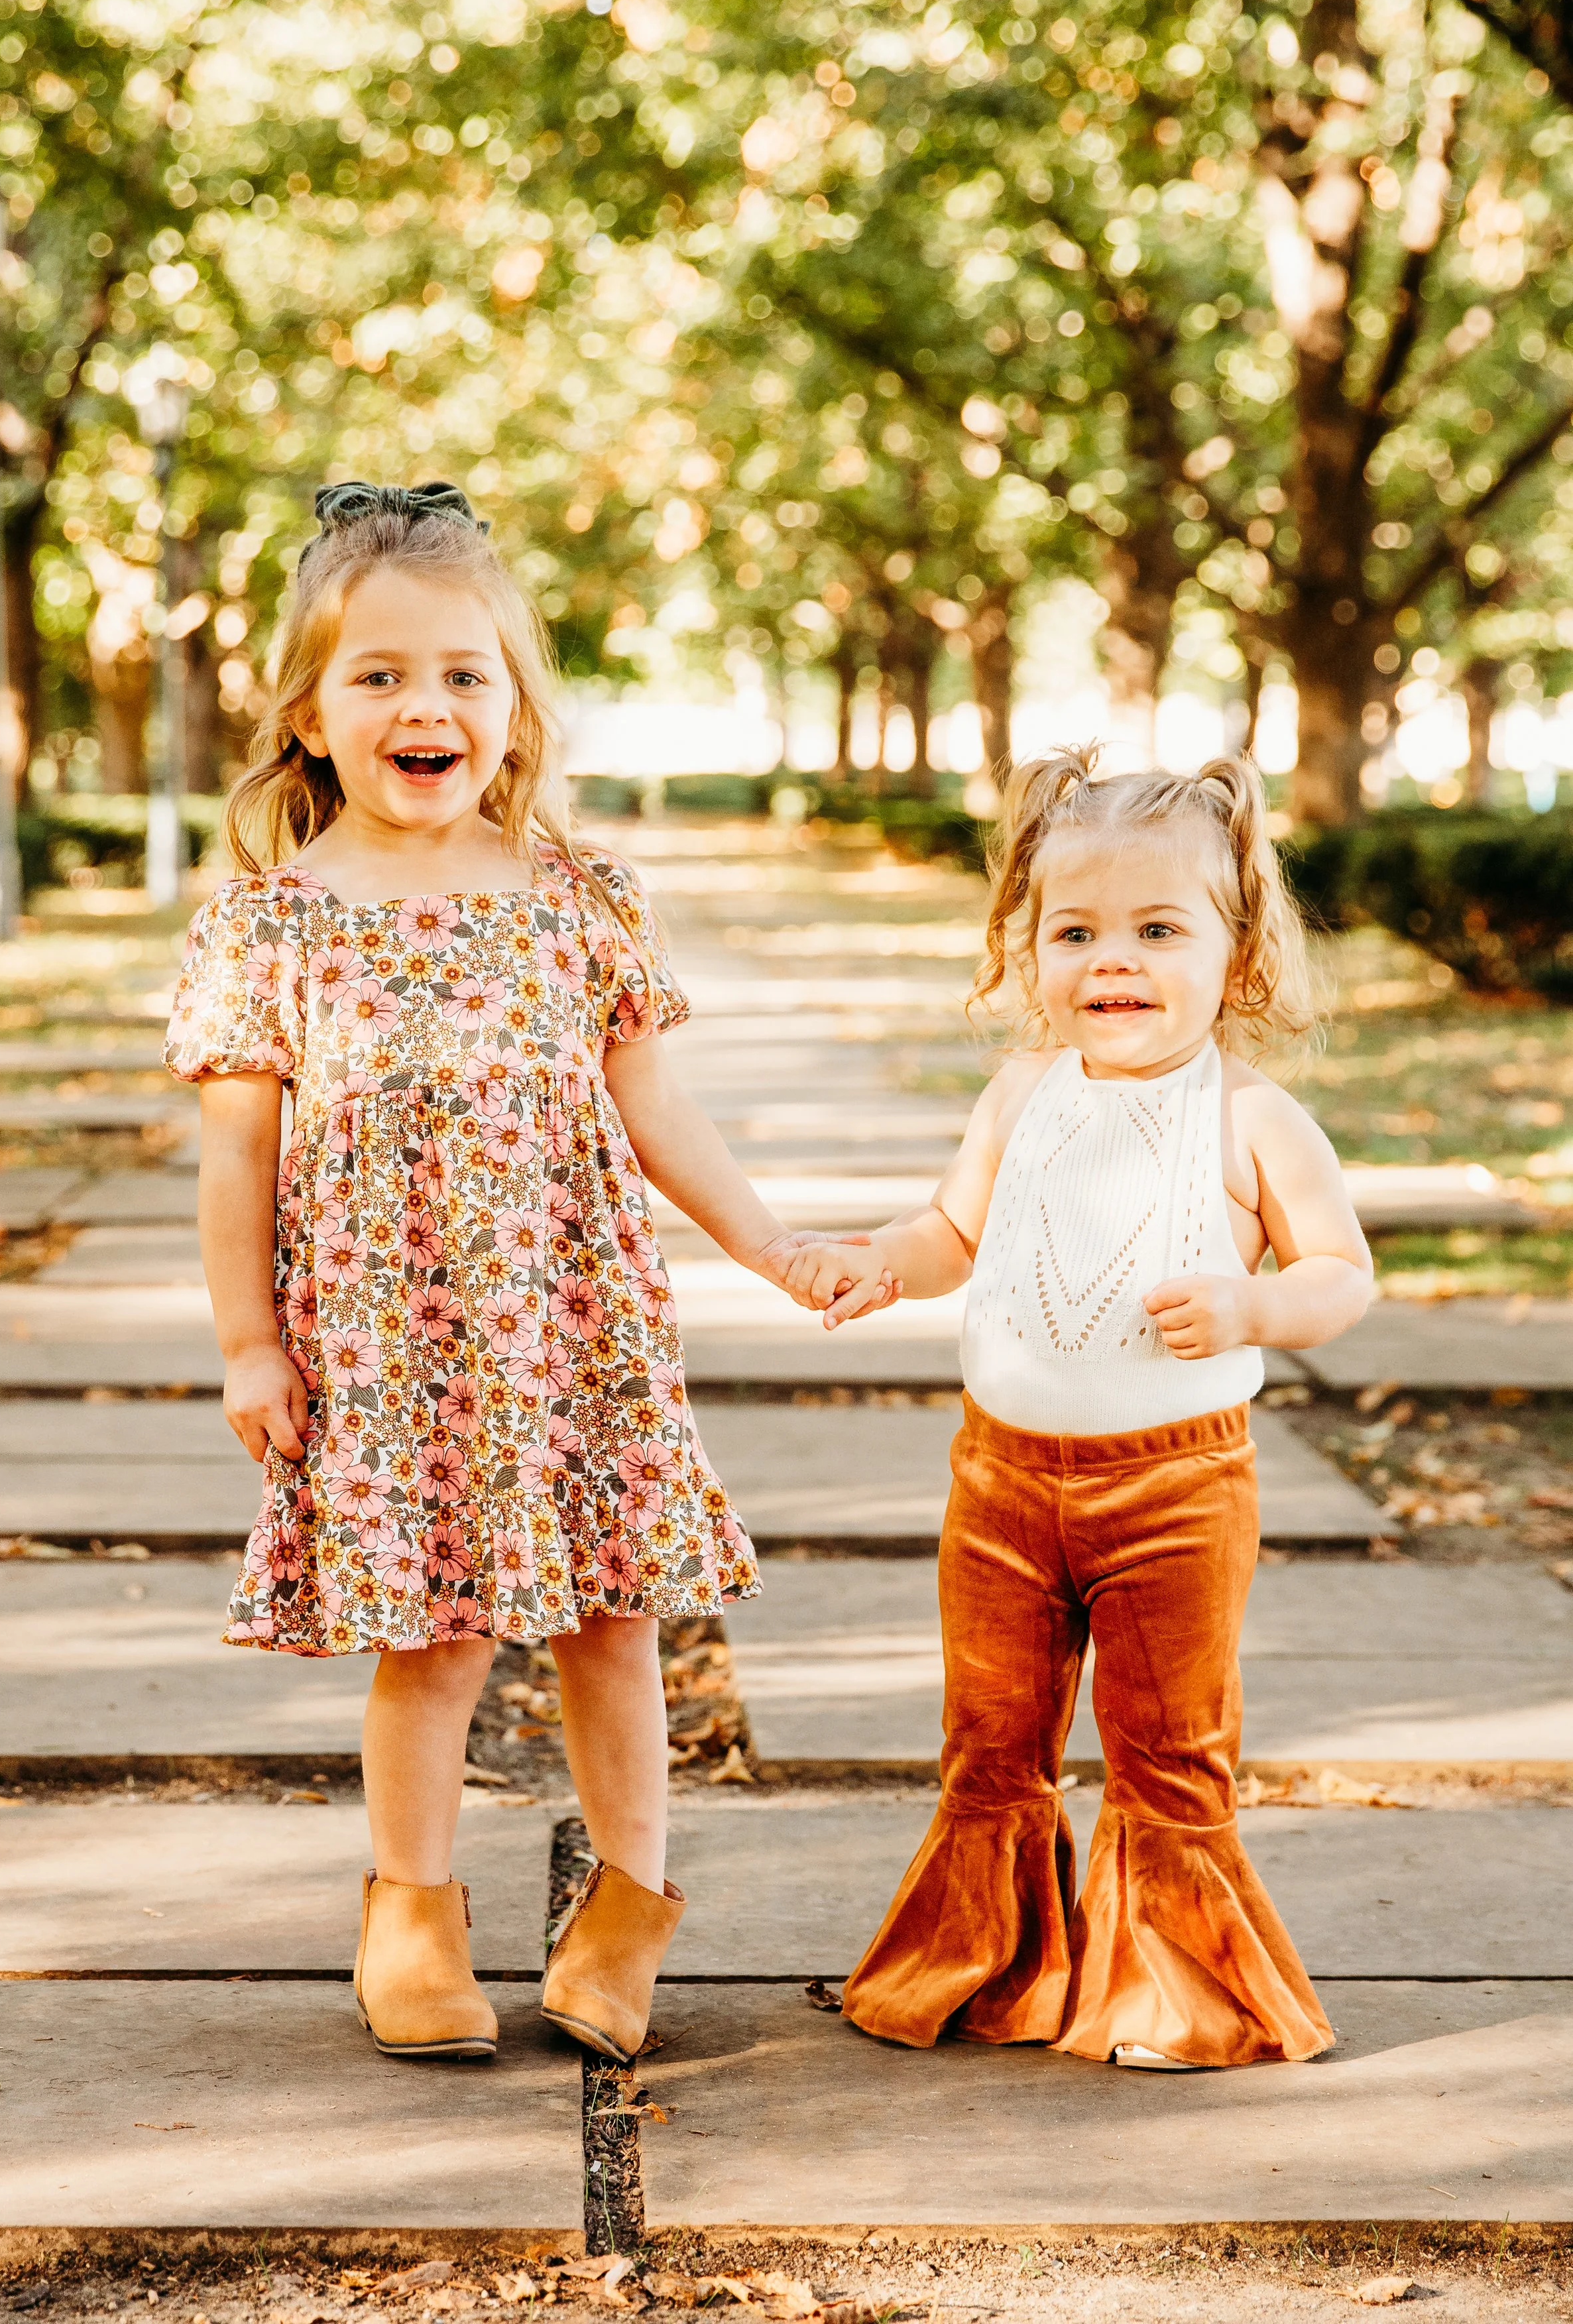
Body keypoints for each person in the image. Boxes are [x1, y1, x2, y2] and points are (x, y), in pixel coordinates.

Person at [163, 480, 845, 2065]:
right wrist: (248, 1345)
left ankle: (626, 1913)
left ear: (515, 707)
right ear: (313, 718)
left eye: (464, 674)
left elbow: (657, 1114)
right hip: (391, 1354)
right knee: (435, 1637)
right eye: (382, 676)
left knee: (614, 1624)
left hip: (573, 1336)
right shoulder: (271, 929)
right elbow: (232, 1165)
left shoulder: (575, 902)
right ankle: (410, 1915)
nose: (427, 706)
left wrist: (775, 1247)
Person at [784, 747, 1373, 2070]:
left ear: (1239, 955)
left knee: (1167, 1748)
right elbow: (952, 1229)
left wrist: (1251, 1307)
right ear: (1026, 946)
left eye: (1157, 931)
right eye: (1075, 932)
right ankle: (984, 1966)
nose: (1112, 961)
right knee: (989, 1736)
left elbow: (1338, 1275)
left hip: (1173, 1490)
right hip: (996, 1483)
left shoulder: (1250, 1118)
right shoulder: (1020, 1095)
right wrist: (883, 1262)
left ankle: (1181, 1993)